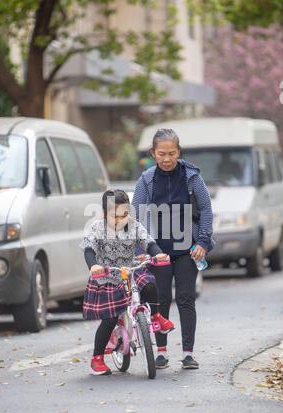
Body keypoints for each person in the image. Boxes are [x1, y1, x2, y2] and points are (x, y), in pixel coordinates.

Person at [132, 129, 215, 370]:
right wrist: (144, 247)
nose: (166, 158)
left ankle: (188, 353)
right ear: (153, 154)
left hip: (187, 248)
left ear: (179, 152)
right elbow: (137, 213)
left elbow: (207, 210)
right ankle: (161, 351)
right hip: (158, 249)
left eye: (171, 153)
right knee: (160, 299)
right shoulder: (146, 180)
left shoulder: (191, 177)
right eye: (161, 154)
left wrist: (202, 241)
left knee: (186, 298)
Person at [82, 189, 174, 376]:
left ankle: (156, 317)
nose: (119, 220)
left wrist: (158, 254)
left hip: (130, 270)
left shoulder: (134, 226)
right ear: (104, 213)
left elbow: (149, 242)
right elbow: (89, 249)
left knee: (149, 284)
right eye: (113, 216)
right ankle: (97, 359)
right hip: (107, 275)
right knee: (110, 319)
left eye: (124, 215)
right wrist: (93, 266)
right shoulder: (97, 228)